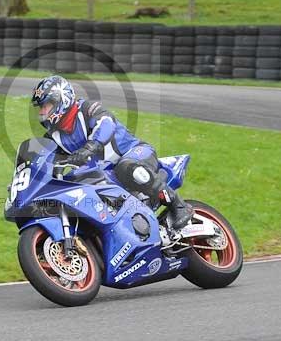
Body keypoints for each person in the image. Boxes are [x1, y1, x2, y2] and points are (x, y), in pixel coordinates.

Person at [31, 74, 194, 231]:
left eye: (45, 106)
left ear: (60, 100)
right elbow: (43, 161)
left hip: (135, 153)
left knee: (126, 167)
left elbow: (106, 124)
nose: (41, 112)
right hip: (106, 175)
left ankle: (178, 205)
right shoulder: (54, 137)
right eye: (40, 108)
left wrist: (89, 147)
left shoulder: (88, 110)